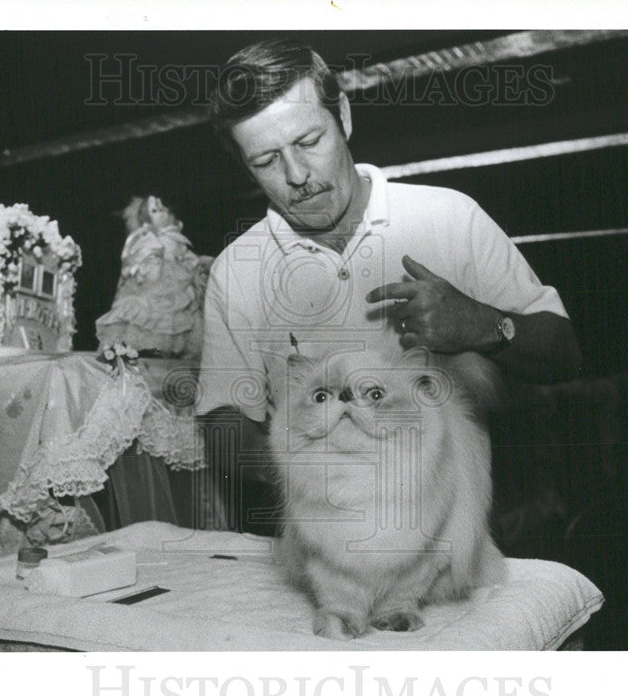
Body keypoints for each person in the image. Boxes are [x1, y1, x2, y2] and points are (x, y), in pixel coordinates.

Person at [195, 39, 582, 528]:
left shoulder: (449, 216)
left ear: (345, 118)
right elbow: (223, 427)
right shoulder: (236, 270)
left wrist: (484, 324)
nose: (297, 176)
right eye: (266, 161)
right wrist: (314, 467)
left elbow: (564, 354)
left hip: (451, 537)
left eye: (310, 142)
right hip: (322, 548)